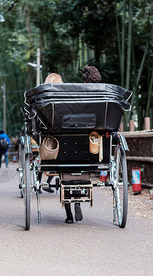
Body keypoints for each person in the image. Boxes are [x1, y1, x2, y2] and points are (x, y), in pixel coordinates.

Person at [64, 66, 102, 223]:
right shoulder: (104, 94)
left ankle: (69, 215)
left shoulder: (77, 93)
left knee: (65, 175)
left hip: (72, 139)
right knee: (81, 170)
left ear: (84, 80)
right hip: (95, 143)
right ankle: (78, 201)